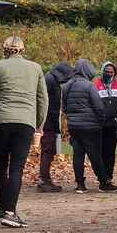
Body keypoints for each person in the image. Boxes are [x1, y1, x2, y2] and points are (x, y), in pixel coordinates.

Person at [0, 36, 48, 229]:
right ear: (23, 50)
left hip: (1, 122)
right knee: (17, 167)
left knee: (1, 165)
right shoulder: (36, 68)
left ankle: (1, 208)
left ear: (5, 50)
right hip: (25, 123)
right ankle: (10, 212)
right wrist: (38, 123)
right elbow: (43, 100)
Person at [62, 59, 117, 193]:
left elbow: (64, 106)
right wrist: (100, 121)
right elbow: (98, 107)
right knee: (95, 156)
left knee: (78, 155)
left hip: (74, 126)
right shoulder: (89, 86)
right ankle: (104, 182)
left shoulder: (67, 85)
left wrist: (71, 118)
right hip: (90, 127)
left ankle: (80, 184)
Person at [38, 62, 73, 192]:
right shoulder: (50, 81)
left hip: (49, 120)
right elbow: (43, 102)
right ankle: (44, 179)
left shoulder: (50, 79)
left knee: (49, 150)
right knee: (48, 150)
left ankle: (45, 178)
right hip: (48, 121)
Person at [92, 62, 117, 187]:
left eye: (111, 72)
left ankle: (108, 178)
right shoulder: (96, 85)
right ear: (102, 71)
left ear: (115, 73)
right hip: (100, 124)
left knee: (110, 153)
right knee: (100, 152)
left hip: (114, 125)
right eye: (107, 71)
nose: (109, 74)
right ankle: (102, 178)